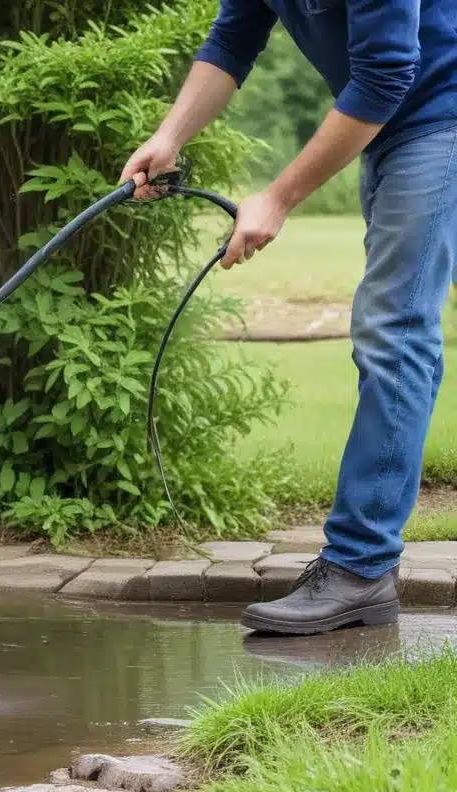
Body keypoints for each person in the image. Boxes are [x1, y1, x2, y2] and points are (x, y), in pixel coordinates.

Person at [121, 0, 457, 636]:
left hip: (440, 116)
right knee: (400, 327)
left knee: (394, 333)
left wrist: (277, 198)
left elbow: (387, 71)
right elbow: (233, 38)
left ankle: (360, 570)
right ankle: (362, 570)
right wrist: (169, 138)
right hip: (388, 128)